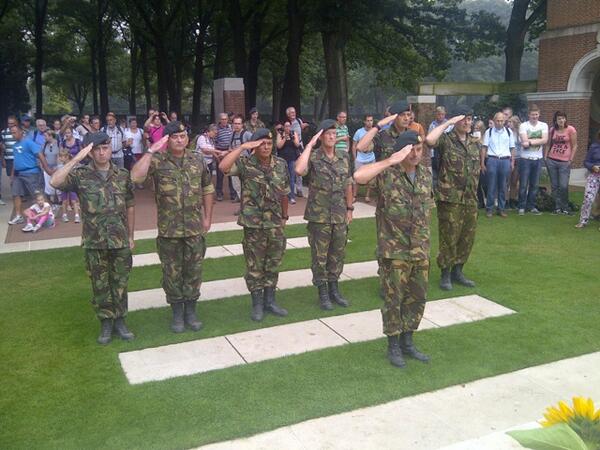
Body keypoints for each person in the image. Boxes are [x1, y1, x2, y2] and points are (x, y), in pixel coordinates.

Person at [354, 130, 432, 368]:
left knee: (417, 298)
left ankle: (408, 341)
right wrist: (390, 160)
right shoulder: (387, 174)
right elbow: (359, 176)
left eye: (419, 149)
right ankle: (394, 345)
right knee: (393, 300)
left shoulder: (426, 174)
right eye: (411, 149)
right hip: (394, 250)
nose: (416, 154)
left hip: (419, 249)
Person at [51, 132, 135, 344]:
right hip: (94, 241)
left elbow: (130, 205)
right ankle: (106, 323)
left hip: (119, 239)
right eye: (96, 149)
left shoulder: (123, 174)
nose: (101, 152)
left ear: (110, 148)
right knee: (100, 284)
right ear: (89, 151)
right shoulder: (80, 175)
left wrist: (131, 235)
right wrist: (77, 158)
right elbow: (55, 181)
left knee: (120, 282)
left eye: (105, 147)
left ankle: (120, 321)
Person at [131, 122, 214, 333]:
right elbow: (135, 177)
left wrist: (208, 218)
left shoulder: (197, 160)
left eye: (183, 135)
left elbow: (207, 188)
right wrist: (151, 150)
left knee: (194, 272)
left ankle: (191, 311)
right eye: (174, 136)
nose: (180, 140)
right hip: (170, 231)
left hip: (195, 228)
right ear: (167, 140)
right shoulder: (157, 161)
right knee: (172, 273)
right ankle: (177, 313)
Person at [220, 128, 290, 321]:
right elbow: (223, 167)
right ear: (255, 146)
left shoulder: (281, 164)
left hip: (275, 223)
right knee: (255, 265)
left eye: (269, 143)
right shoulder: (244, 164)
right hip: (254, 224)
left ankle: (270, 301)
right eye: (261, 144)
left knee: (273, 262)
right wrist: (242, 147)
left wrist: (284, 216)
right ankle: (257, 304)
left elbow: (284, 192)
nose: (266, 147)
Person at [295, 119, 353, 310]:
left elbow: (348, 183)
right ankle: (323, 293)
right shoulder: (313, 157)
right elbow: (299, 170)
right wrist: (310, 145)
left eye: (334, 134)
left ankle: (334, 289)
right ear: (320, 136)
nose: (331, 137)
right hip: (319, 217)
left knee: (337, 254)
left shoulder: (343, 156)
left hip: (339, 215)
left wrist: (350, 208)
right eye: (327, 133)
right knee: (320, 257)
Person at [426, 106, 480, 291]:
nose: (467, 122)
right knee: (449, 236)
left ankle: (458, 270)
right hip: (450, 198)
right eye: (463, 119)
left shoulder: (475, 143)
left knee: (467, 236)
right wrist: (447, 123)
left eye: (469, 119)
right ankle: (446, 273)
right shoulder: (447, 140)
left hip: (470, 198)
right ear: (456, 121)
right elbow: (429, 140)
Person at [7, 124, 53, 225]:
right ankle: (18, 216)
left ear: (21, 132)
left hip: (31, 173)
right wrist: (12, 174)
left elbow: (39, 154)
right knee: (16, 194)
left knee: (37, 195)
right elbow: (16, 160)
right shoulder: (15, 145)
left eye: (14, 132)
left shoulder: (28, 143)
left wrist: (47, 169)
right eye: (11, 133)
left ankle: (48, 214)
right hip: (18, 174)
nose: (13, 135)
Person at [481, 112, 515, 218]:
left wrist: (512, 162)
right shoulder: (489, 132)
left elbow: (512, 148)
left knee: (503, 186)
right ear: (494, 120)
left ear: (504, 121)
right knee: (491, 185)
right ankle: (489, 209)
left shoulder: (509, 132)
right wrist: (482, 163)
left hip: (505, 160)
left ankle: (501, 208)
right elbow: (484, 148)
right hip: (492, 160)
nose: (499, 123)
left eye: (501, 121)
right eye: (497, 120)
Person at [545, 111, 577, 215]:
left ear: (565, 119)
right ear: (556, 120)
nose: (561, 120)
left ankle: (565, 207)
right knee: (554, 186)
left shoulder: (571, 129)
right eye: (559, 119)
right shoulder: (552, 129)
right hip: (552, 160)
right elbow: (548, 144)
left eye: (563, 118)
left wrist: (570, 160)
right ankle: (557, 207)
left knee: (563, 186)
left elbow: (575, 145)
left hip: (565, 162)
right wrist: (546, 157)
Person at [518, 104, 548, 215]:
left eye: (536, 114)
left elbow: (545, 140)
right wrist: (537, 140)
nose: (534, 116)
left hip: (538, 158)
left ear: (539, 114)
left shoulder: (543, 125)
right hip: (525, 158)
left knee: (534, 184)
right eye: (532, 114)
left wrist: (530, 141)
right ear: (529, 115)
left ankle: (531, 206)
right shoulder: (523, 126)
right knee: (523, 183)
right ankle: (521, 206)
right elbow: (524, 142)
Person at [575, 132, 600, 228]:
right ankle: (583, 221)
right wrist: (593, 166)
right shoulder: (594, 147)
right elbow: (586, 162)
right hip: (594, 175)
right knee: (588, 198)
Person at [352, 114, 376, 202]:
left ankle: (367, 196)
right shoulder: (359, 132)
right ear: (364, 121)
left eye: (371, 120)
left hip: (371, 157)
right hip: (360, 158)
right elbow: (354, 145)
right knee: (357, 178)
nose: (370, 122)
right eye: (368, 120)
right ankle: (354, 196)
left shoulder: (375, 131)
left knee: (370, 178)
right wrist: (355, 157)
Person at [228, 114, 252, 204]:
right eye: (235, 123)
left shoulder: (247, 134)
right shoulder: (232, 135)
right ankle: (242, 203)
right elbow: (229, 148)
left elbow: (255, 145)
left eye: (238, 123)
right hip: (235, 163)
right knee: (236, 185)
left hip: (246, 163)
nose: (236, 125)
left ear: (242, 124)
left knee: (246, 186)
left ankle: (246, 205)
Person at [276, 120, 301, 204]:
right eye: (286, 126)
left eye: (289, 126)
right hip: (282, 159)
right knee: (282, 178)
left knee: (291, 178)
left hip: (292, 158)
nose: (287, 127)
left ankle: (292, 197)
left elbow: (297, 145)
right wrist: (284, 138)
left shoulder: (294, 133)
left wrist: (292, 138)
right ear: (283, 127)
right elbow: (278, 146)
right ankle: (282, 197)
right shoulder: (280, 134)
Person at [286, 106, 308, 197]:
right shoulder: (286, 123)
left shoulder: (298, 121)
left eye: (294, 112)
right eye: (291, 112)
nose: (293, 114)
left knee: (300, 168)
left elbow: (302, 129)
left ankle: (299, 189)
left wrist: (305, 126)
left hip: (299, 146)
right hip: (290, 148)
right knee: (290, 169)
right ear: (287, 114)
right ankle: (290, 190)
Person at [57, 149, 81, 223]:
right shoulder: (60, 166)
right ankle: (64, 215)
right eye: (60, 157)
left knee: (74, 201)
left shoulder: (72, 164)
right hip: (64, 185)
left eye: (61, 157)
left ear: (67, 157)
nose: (60, 158)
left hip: (72, 185)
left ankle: (77, 216)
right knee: (64, 201)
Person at [214, 113, 235, 201]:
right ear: (220, 120)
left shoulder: (230, 128)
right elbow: (214, 142)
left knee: (231, 173)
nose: (224, 121)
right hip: (220, 152)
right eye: (222, 119)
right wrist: (217, 155)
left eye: (226, 119)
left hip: (229, 151)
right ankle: (219, 193)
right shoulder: (216, 129)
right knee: (220, 175)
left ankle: (233, 193)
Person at [0, 115, 20, 206]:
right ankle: (14, 194)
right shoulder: (4, 133)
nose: (10, 125)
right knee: (11, 177)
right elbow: (2, 147)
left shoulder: (19, 131)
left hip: (18, 158)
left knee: (19, 176)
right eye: (9, 123)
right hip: (9, 159)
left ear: (16, 123)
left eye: (12, 123)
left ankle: (19, 194)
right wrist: (3, 159)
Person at [428, 106, 449, 190]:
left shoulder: (448, 124)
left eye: (442, 114)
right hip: (435, 153)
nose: (441, 116)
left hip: (445, 152)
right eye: (439, 114)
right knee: (435, 171)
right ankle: (435, 189)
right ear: (436, 115)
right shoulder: (432, 125)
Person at [507, 115, 522, 209]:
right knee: (506, 181)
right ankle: (505, 200)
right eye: (508, 122)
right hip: (508, 158)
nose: (509, 124)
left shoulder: (519, 133)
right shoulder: (507, 132)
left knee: (514, 181)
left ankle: (512, 200)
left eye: (511, 122)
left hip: (518, 158)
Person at [41, 130, 60, 204]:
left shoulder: (58, 144)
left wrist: (57, 167)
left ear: (51, 136)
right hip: (47, 167)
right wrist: (42, 166)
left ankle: (59, 199)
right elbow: (42, 155)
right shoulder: (45, 144)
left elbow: (59, 155)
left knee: (57, 182)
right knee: (48, 183)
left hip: (56, 167)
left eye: (46, 136)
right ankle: (52, 200)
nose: (44, 137)